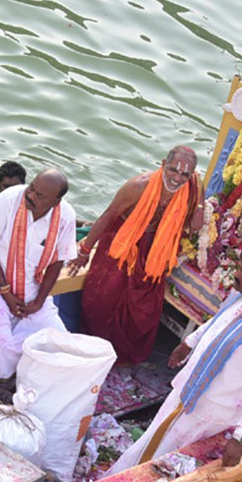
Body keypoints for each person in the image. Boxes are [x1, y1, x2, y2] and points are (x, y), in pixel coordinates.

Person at [110, 245, 242, 473]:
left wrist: (240, 437)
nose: (236, 275)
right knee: (153, 441)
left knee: (160, 459)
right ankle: (118, 477)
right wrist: (191, 342)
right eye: (239, 268)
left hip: (210, 411)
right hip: (190, 389)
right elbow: (221, 321)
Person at [70, 146, 204, 363]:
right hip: (122, 242)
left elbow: (196, 226)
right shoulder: (138, 186)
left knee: (143, 309)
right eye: (173, 170)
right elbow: (108, 215)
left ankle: (120, 359)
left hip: (153, 250)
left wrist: (200, 192)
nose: (177, 178)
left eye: (185, 174)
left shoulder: (189, 191)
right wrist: (85, 251)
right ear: (163, 164)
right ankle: (93, 354)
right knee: (103, 298)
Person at [0, 169, 77, 402]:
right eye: (32, 189)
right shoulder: (8, 200)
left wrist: (39, 301)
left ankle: (25, 386)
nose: (31, 196)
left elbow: (57, 262)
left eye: (40, 196)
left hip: (32, 286)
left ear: (56, 202)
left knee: (59, 341)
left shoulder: (66, 217)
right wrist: (6, 293)